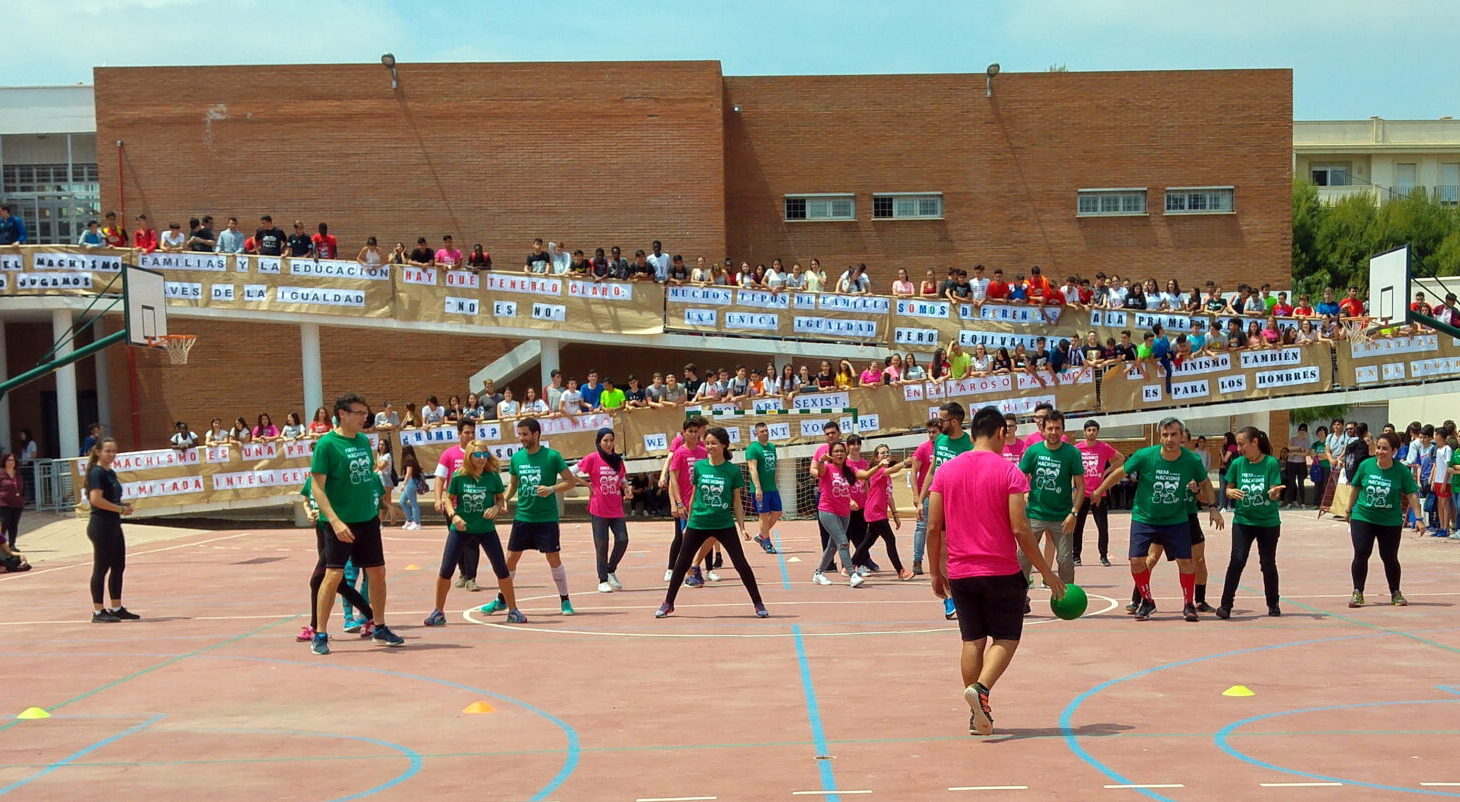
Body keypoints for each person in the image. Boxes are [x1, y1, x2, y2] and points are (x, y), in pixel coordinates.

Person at [927, 405, 1065, 736]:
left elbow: (932, 527)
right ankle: (982, 689)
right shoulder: (1008, 472)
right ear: (1002, 432)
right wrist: (1047, 573)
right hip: (1000, 570)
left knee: (972, 640)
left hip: (960, 571)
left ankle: (977, 715)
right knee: (1006, 637)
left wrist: (934, 571)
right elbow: (1020, 529)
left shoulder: (946, 472)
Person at [1091, 416, 1215, 622]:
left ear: (1182, 436)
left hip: (1176, 520)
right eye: (1165, 435)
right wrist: (1099, 490)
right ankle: (1147, 601)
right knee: (1137, 561)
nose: (1169, 439)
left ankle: (1189, 604)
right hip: (1144, 518)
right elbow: (1120, 472)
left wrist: (1213, 507)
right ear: (1160, 436)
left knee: (1186, 561)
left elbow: (1206, 483)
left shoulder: (1191, 460)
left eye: (1174, 434)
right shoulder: (1145, 455)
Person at [308, 393, 403, 654]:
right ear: (343, 414)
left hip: (367, 520)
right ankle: (320, 633)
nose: (365, 417)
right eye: (359, 413)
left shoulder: (363, 441)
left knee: (377, 572)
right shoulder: (327, 445)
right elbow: (317, 488)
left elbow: (367, 478)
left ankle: (379, 626)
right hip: (340, 523)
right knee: (333, 575)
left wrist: (382, 506)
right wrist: (335, 521)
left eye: (365, 412)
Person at [655, 426, 767, 618]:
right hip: (698, 523)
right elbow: (694, 496)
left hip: (724, 524)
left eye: (713, 443)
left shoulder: (732, 470)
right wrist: (688, 521)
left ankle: (758, 603)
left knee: (741, 564)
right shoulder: (700, 467)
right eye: (707, 443)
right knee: (681, 563)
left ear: (724, 445)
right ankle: (668, 603)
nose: (709, 447)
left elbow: (737, 502)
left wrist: (742, 527)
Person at [480, 417, 579, 618]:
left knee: (553, 558)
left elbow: (570, 481)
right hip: (523, 517)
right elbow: (513, 484)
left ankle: (565, 599)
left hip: (546, 518)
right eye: (520, 434)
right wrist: (503, 501)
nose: (522, 438)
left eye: (525, 434)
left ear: (536, 434)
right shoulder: (517, 458)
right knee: (510, 560)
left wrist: (551, 489)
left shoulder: (552, 456)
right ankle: (501, 600)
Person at [428, 440, 522, 625]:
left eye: (484, 455)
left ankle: (513, 610)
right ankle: (438, 612)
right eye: (477, 455)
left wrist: (496, 508)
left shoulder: (492, 476)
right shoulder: (459, 476)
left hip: (486, 529)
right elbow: (448, 499)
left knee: (501, 569)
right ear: (469, 457)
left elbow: (500, 499)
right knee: (446, 569)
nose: (481, 459)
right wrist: (454, 516)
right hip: (461, 529)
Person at [1343, 431, 1420, 608]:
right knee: (1361, 552)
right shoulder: (1366, 465)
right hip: (1363, 517)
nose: (1380, 452)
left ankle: (1395, 592)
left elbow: (1412, 494)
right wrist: (1348, 510)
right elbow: (1355, 488)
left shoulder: (1401, 471)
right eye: (1378, 447)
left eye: (1385, 449)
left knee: (1389, 557)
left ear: (1394, 451)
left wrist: (1419, 518)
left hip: (1390, 521)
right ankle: (1357, 592)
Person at [1016, 410, 1083, 611]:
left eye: (1057, 428)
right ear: (1043, 430)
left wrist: (1074, 512)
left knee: (1065, 561)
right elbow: (1019, 477)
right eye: (1050, 428)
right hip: (1034, 514)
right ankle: (1020, 599)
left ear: (1063, 430)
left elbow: (1080, 486)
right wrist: (1023, 496)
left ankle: (1066, 599)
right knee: (1023, 558)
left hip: (1062, 516)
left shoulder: (1072, 453)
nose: (1054, 432)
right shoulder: (1033, 451)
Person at [1217, 427, 1285, 618]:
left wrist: (1274, 493)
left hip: (1268, 522)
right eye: (1237, 445)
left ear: (1254, 442)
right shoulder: (1237, 464)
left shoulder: (1271, 463)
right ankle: (1225, 605)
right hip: (1243, 521)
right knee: (1237, 560)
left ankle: (1273, 603)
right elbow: (1228, 488)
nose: (1239, 449)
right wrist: (1230, 492)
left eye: (1241, 444)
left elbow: (1275, 491)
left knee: (1267, 562)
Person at [918, 403, 975, 619]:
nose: (939, 423)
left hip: (961, 505)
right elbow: (932, 471)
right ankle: (951, 597)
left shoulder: (969, 444)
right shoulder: (940, 440)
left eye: (942, 420)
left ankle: (965, 592)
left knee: (961, 551)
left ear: (955, 421)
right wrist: (921, 499)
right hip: (938, 501)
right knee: (941, 549)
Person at [84, 438, 140, 623]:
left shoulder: (110, 473)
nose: (112, 454)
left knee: (118, 566)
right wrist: (119, 509)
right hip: (101, 525)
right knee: (101, 568)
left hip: (113, 524)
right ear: (98, 452)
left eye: (114, 451)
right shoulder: (97, 472)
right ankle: (98, 611)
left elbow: (110, 498)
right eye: (108, 451)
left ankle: (116, 607)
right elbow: (96, 500)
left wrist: (122, 505)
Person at [577, 428, 631, 593]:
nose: (608, 444)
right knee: (602, 545)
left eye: (611, 440)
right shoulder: (592, 458)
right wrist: (588, 485)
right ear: (599, 442)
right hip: (599, 508)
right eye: (605, 441)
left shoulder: (617, 460)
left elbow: (622, 477)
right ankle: (602, 580)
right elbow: (570, 472)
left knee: (622, 540)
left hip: (616, 508)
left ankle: (610, 569)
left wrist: (626, 487)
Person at [434, 420, 482, 590]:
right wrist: (438, 499)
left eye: (472, 432)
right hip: (453, 507)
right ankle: (463, 573)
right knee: (457, 542)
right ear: (459, 434)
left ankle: (471, 578)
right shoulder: (449, 454)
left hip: (474, 506)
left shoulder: (480, 454)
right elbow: (440, 479)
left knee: (473, 542)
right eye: (466, 432)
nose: (470, 436)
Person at [665, 416, 712, 585]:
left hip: (702, 502)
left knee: (709, 536)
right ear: (683, 433)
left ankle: (700, 567)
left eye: (695, 431)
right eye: (690, 431)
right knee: (686, 540)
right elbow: (673, 480)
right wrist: (677, 503)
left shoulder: (703, 452)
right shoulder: (679, 453)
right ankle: (688, 573)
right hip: (685, 504)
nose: (693, 434)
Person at [851, 443, 909, 579]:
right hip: (874, 512)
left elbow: (889, 496)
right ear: (877, 458)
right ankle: (900, 571)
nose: (886, 455)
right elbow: (893, 469)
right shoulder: (878, 471)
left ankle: (850, 566)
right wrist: (906, 462)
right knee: (890, 539)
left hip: (880, 512)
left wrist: (895, 514)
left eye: (887, 452)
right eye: (883, 453)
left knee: (868, 542)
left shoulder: (886, 475)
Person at [1074, 420, 1120, 567]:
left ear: (1097, 432)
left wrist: (1106, 472)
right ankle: (1076, 556)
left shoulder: (1103, 447)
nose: (1091, 432)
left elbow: (1120, 458)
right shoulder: (1077, 449)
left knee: (1102, 527)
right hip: (1082, 492)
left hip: (1099, 493)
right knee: (1078, 526)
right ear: (1084, 432)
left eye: (1094, 430)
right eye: (1089, 430)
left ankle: (1103, 556)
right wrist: (1073, 488)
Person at [744, 422, 781, 554]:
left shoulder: (772, 447)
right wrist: (758, 487)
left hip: (772, 487)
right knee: (763, 514)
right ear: (756, 433)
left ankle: (761, 535)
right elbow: (752, 468)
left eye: (766, 431)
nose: (765, 433)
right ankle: (766, 541)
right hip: (760, 488)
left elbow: (774, 466)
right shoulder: (752, 449)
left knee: (777, 512)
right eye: (762, 431)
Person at [0, 453, 24, 549]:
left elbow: (22, 488)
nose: (11, 462)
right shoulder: (1, 473)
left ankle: (12, 544)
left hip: (17, 503)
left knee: (14, 524)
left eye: (13, 460)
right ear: (4, 462)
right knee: (5, 522)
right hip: (3, 502)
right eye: (9, 460)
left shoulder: (17, 474)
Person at [398, 445, 424, 531]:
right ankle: (410, 520)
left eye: (402, 450)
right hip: (410, 482)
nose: (401, 452)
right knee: (402, 501)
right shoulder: (410, 459)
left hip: (411, 482)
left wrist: (403, 484)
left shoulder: (409, 459)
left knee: (413, 503)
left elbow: (408, 473)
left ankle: (417, 523)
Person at [375, 439, 397, 527]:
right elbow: (377, 469)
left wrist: (377, 457)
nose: (381, 446)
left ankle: (394, 514)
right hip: (381, 479)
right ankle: (384, 521)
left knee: (383, 501)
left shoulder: (387, 456)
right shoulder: (382, 455)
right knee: (384, 502)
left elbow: (380, 467)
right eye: (380, 444)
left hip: (386, 480)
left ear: (386, 446)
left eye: (383, 445)